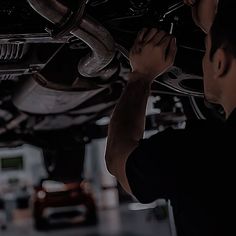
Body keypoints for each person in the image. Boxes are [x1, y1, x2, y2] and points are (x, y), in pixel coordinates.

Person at [105, 0, 236, 235]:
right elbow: (117, 160)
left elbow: (118, 156)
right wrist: (141, 76)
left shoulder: (195, 157)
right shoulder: (194, 154)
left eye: (206, 49)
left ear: (220, 62)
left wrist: (141, 75)